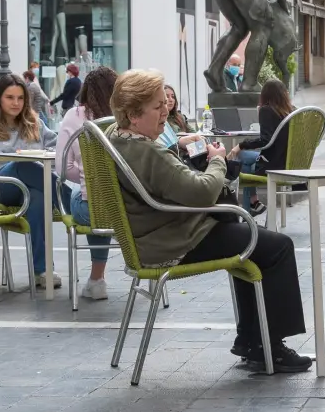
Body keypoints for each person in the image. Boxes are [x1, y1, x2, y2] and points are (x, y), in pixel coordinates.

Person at [107, 70, 311, 372]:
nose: (167, 111)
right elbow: (201, 192)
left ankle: (254, 342)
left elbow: (165, 177)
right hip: (174, 241)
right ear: (134, 115)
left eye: (166, 103)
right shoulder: (144, 151)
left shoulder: (117, 137)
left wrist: (178, 150)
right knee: (276, 246)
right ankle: (269, 346)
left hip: (158, 235)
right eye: (158, 107)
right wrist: (218, 161)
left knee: (245, 237)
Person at [0, 74, 62, 290]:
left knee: (38, 197)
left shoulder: (35, 124)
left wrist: (40, 155)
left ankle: (42, 270)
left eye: (20, 98)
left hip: (27, 189)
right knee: (23, 164)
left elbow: (58, 149)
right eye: (10, 97)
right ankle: (68, 202)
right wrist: (16, 156)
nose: (16, 103)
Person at [55, 67, 118, 300]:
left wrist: (86, 179)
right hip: (129, 209)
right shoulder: (127, 116)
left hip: (92, 209)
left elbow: (62, 169)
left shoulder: (74, 116)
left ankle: (96, 280)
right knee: (99, 200)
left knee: (84, 196)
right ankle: (96, 279)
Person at [231, 79, 294, 215]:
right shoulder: (292, 111)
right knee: (246, 163)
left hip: (274, 165)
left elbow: (265, 140)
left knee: (242, 157)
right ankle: (253, 204)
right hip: (289, 163)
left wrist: (241, 145)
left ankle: (248, 210)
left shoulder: (266, 110)